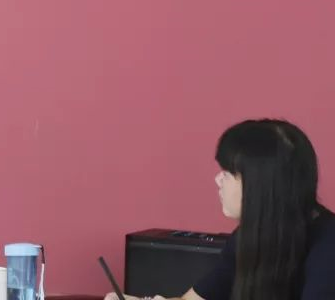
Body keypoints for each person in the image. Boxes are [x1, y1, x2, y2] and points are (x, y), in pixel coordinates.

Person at [107, 119, 335, 300]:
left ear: (261, 184)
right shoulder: (248, 236)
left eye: (228, 173)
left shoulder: (328, 248)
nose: (218, 180)